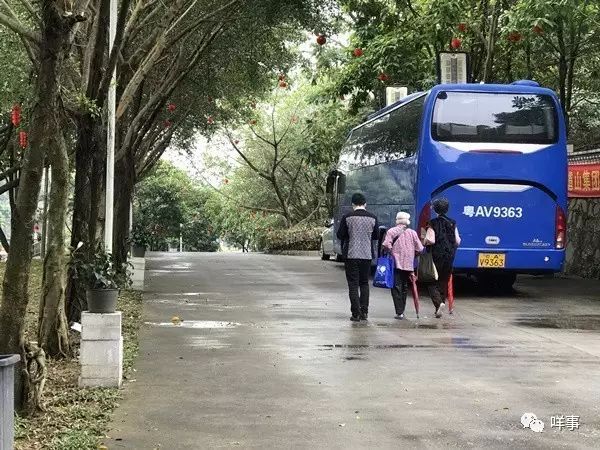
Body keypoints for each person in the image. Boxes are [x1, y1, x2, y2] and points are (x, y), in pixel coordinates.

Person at [336, 193, 379, 321]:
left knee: (353, 284)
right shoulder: (373, 218)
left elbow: (340, 235)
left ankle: (355, 313)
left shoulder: (347, 217)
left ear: (353, 204)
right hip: (366, 255)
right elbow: (376, 236)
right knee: (364, 283)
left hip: (351, 254)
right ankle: (364, 312)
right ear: (365, 204)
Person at [423, 198, 461, 318]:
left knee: (431, 280)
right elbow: (458, 241)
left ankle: (439, 303)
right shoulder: (453, 222)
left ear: (435, 209)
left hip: (436, 256)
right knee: (443, 281)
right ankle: (441, 304)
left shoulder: (432, 223)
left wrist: (424, 241)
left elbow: (431, 239)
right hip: (450, 256)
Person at [382, 212, 424, 320]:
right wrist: (413, 255)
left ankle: (399, 311)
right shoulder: (412, 233)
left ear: (397, 220)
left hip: (395, 264)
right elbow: (420, 248)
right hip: (408, 265)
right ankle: (402, 310)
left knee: (396, 286)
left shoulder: (391, 231)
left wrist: (391, 251)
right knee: (405, 287)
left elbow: (386, 244)